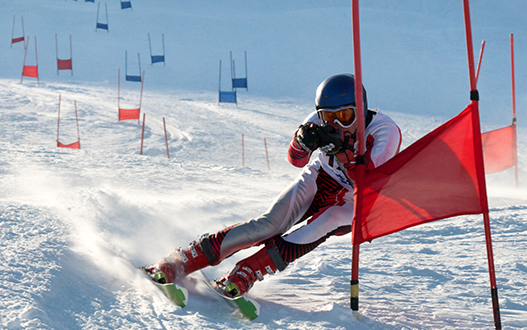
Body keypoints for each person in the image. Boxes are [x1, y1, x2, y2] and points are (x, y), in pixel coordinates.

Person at [146, 73, 402, 298]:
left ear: (361, 109)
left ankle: (247, 271)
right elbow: (295, 160)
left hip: (354, 198)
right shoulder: (317, 121)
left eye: (346, 116)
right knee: (270, 224)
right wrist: (301, 142)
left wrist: (343, 152)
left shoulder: (384, 132)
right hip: (321, 177)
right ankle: (183, 260)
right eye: (328, 117)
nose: (336, 124)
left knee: (324, 222)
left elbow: (368, 183)